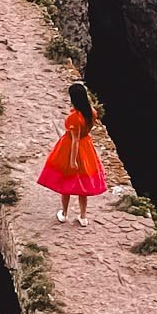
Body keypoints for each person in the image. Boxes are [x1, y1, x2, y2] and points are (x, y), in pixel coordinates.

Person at [38, 81, 107, 221]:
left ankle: (64, 213)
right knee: (83, 185)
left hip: (71, 148)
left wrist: (72, 160)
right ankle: (83, 217)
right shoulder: (92, 112)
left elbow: (75, 141)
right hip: (86, 146)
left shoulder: (73, 118)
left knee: (66, 183)